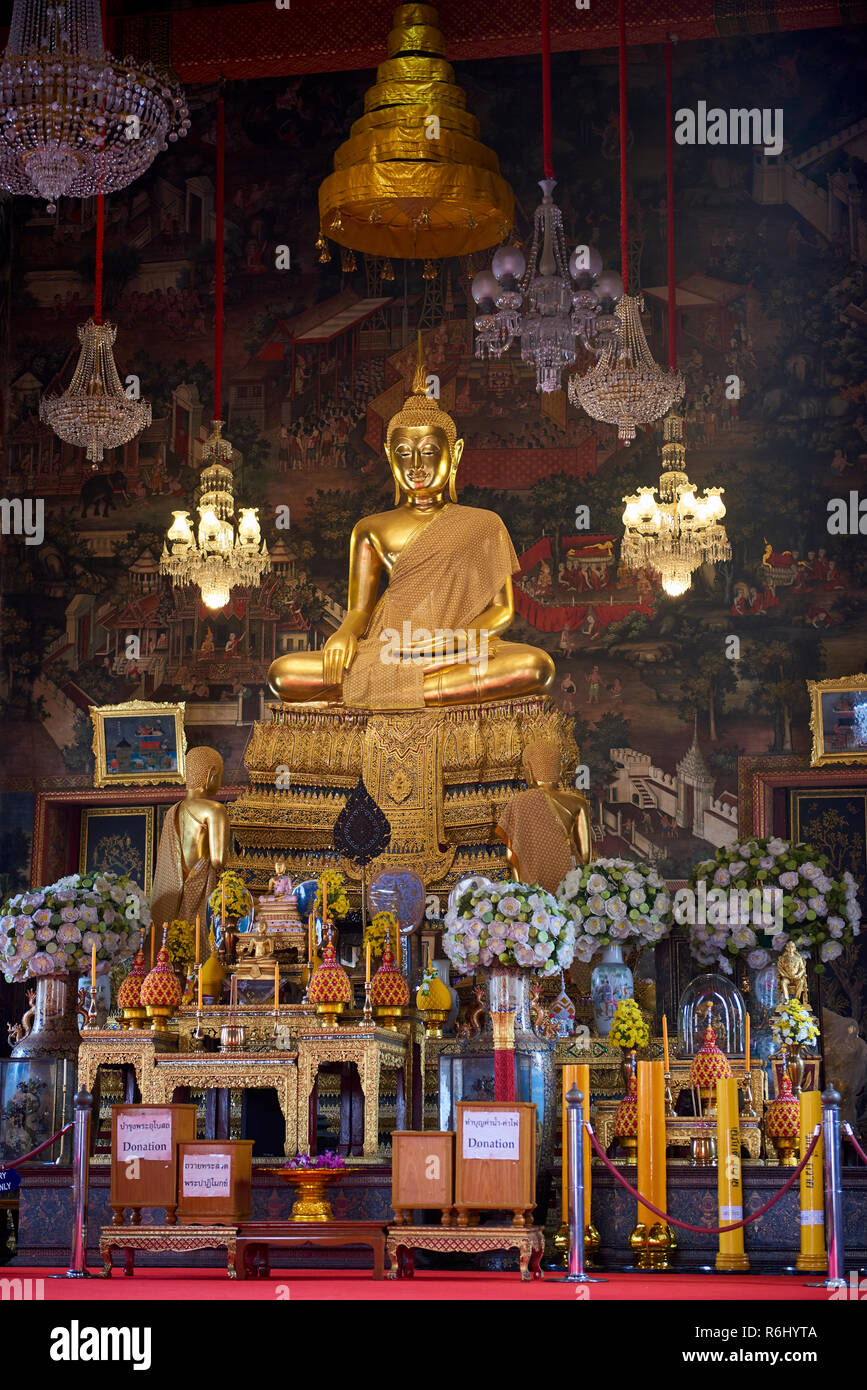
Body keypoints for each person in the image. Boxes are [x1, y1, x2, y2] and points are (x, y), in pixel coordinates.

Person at [266, 337, 554, 708]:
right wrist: (343, 635)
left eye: (430, 451)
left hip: (457, 650)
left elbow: (501, 610)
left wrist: (458, 639)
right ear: (389, 455)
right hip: (389, 648)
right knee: (284, 673)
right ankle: (419, 693)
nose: (416, 465)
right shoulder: (371, 528)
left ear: (456, 453)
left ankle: (391, 694)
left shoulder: (484, 523)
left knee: (533, 666)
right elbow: (359, 611)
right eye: (404, 453)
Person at [496, 739, 592, 894]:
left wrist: (522, 891)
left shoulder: (518, 803)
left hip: (533, 890)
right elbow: (585, 856)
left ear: (529, 769)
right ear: (560, 769)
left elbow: (511, 857)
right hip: (571, 883)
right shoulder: (578, 803)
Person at [150, 747, 228, 931]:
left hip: (174, 894)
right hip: (200, 890)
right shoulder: (214, 809)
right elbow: (218, 861)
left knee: (174, 941)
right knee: (200, 939)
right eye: (220, 776)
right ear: (211, 774)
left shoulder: (172, 811)